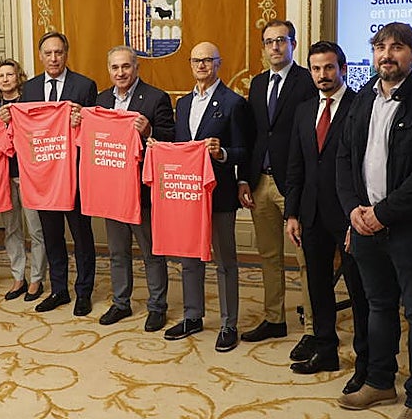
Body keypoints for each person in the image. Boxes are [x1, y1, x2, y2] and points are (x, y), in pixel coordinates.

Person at [336, 22, 412, 419]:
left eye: (398, 47)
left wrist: (383, 214)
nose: (387, 54)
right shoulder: (361, 100)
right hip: (364, 224)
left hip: (411, 229)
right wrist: (353, 209)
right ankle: (379, 382)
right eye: (380, 47)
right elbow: (344, 159)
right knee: (378, 306)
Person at [284, 41, 367, 382]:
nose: (323, 74)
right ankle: (326, 349)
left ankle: (366, 360)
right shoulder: (304, 110)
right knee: (318, 286)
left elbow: (364, 167)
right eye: (316, 68)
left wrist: (358, 214)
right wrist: (292, 214)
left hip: (349, 215)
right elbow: (296, 165)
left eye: (329, 67)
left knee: (358, 289)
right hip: (311, 213)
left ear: (343, 69)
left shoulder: (361, 106)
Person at [164, 42, 250, 351]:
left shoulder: (234, 102)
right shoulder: (184, 103)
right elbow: (179, 146)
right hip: (187, 194)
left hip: (219, 194)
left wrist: (223, 152)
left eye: (208, 60)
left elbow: (244, 150)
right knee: (189, 258)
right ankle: (193, 316)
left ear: (218, 63)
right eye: (196, 60)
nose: (201, 65)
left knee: (225, 261)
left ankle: (229, 324)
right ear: (190, 64)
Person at [239, 19, 316, 347]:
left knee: (306, 260)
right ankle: (274, 319)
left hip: (296, 184)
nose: (275, 47)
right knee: (269, 255)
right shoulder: (257, 84)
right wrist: (244, 178)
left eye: (281, 40)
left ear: (293, 44)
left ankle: (313, 328)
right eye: (269, 41)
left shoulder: (307, 81)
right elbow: (253, 135)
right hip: (261, 182)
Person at [10, 31, 98, 316]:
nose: (53, 58)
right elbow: (25, 130)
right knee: (51, 236)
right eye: (48, 53)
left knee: (81, 236)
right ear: (40, 56)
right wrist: (8, 117)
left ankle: (84, 291)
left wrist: (82, 118)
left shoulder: (84, 86)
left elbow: (94, 129)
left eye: (58, 52)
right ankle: (59, 289)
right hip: (44, 176)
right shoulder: (30, 89)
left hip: (74, 175)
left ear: (66, 54)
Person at [91, 46, 175, 332]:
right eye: (115, 67)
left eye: (126, 66)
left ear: (136, 68)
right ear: (109, 70)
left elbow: (170, 139)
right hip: (112, 190)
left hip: (143, 190)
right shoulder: (101, 100)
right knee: (117, 252)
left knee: (151, 252)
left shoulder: (155, 98)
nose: (120, 72)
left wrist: (150, 131)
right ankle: (121, 302)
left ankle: (157, 307)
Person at [0, 58, 46, 301]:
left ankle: (37, 279)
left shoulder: (29, 103)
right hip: (3, 176)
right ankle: (18, 276)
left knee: (36, 229)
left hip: (28, 174)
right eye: (1, 75)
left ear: (18, 77)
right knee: (11, 228)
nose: (5, 79)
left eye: (9, 74)